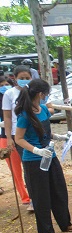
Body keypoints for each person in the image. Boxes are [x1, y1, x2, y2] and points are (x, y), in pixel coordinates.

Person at [14, 79, 72, 233]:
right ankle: (47, 229)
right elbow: (19, 139)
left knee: (59, 190)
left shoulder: (44, 110)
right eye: (46, 94)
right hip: (34, 159)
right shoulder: (25, 115)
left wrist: (58, 137)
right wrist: (36, 150)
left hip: (50, 156)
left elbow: (45, 132)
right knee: (41, 194)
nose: (47, 97)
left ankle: (66, 224)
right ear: (40, 94)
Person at [1, 65, 32, 211]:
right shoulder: (9, 94)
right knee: (24, 166)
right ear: (15, 78)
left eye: (27, 78)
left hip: (32, 132)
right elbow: (7, 117)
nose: (24, 81)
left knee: (33, 166)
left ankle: (36, 196)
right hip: (16, 134)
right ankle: (30, 198)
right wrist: (9, 137)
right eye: (21, 78)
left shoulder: (32, 92)